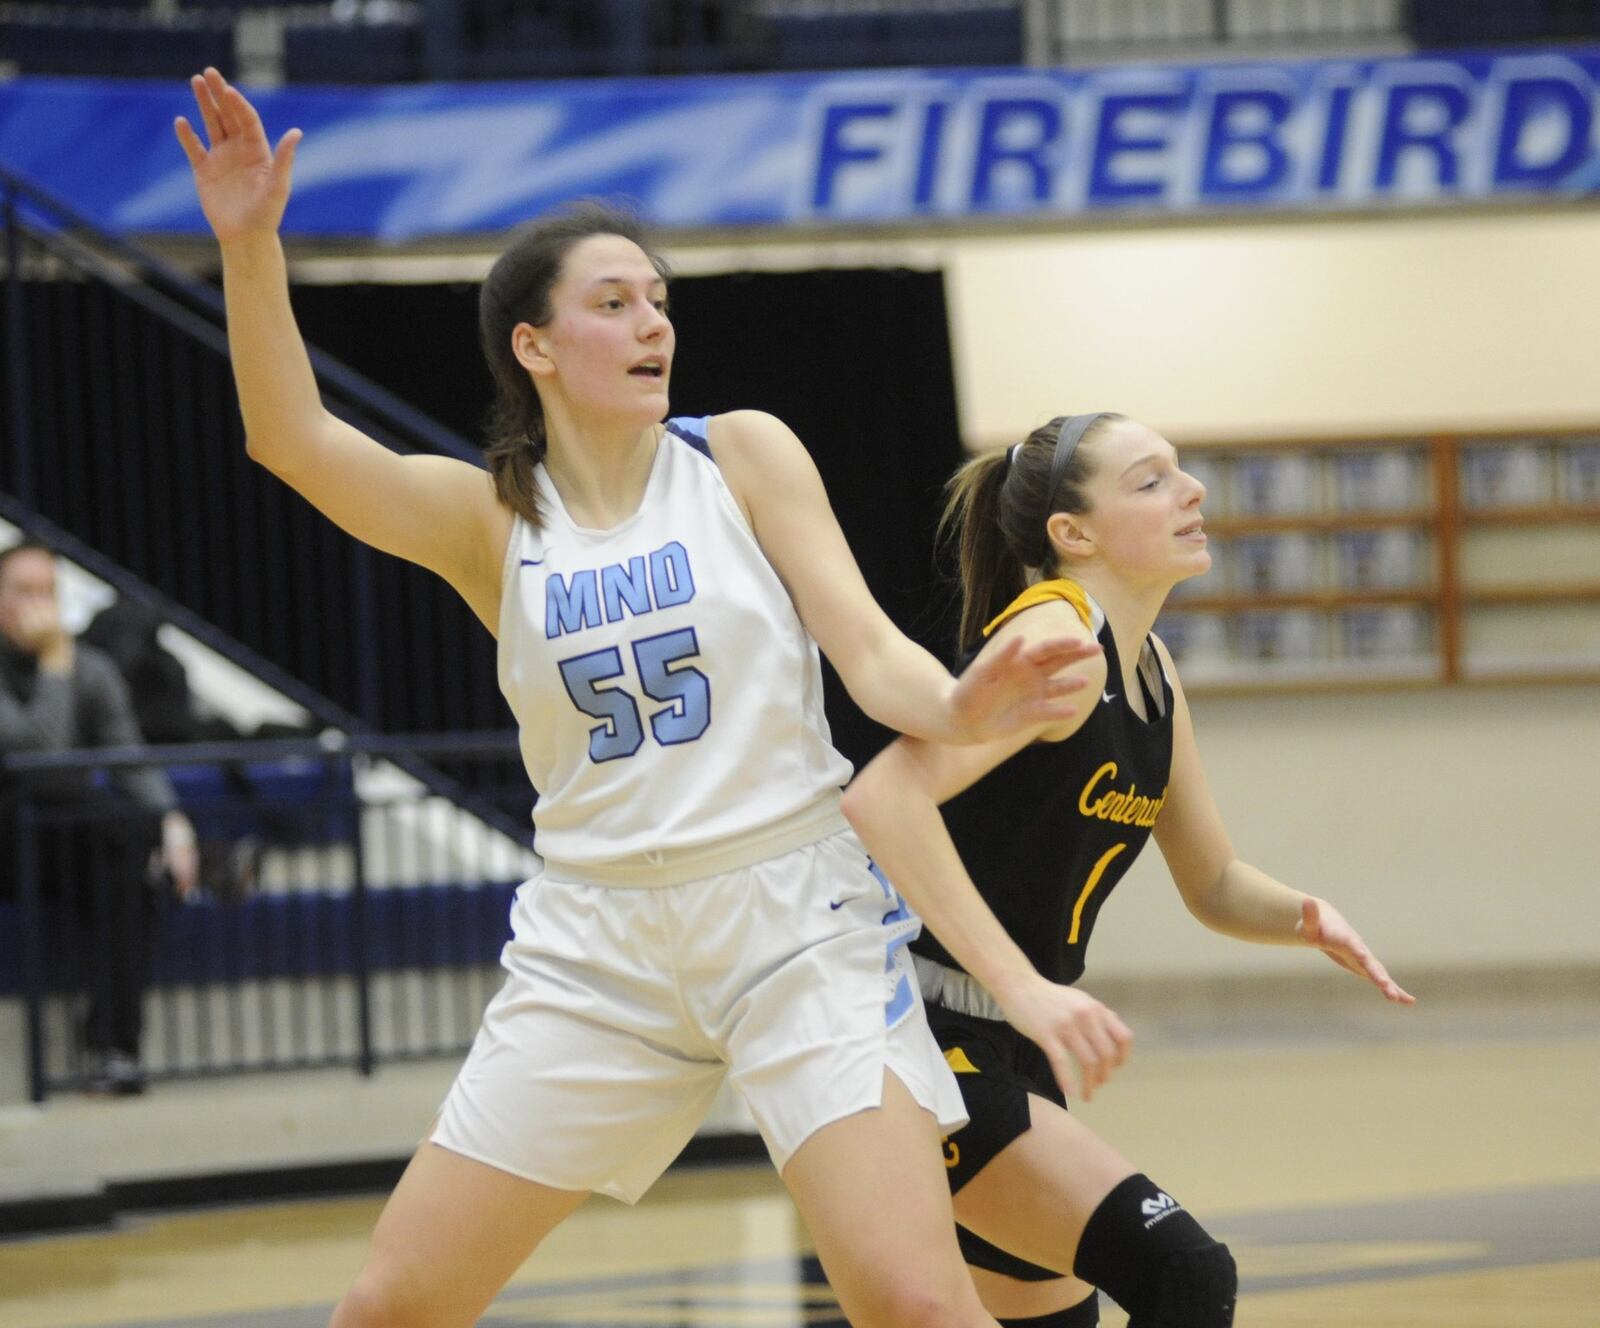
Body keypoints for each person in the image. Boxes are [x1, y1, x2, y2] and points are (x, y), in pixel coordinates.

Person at [174, 68, 1105, 1328]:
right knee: (391, 1303)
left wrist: (961, 700)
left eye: (659, 301)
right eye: (612, 304)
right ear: (536, 345)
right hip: (595, 942)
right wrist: (248, 248)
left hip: (791, 915)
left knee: (907, 1299)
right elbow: (292, 439)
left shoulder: (743, 454)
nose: (653, 324)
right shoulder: (490, 519)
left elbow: (873, 658)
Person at [840, 412, 1416, 1327]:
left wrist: (1307, 915)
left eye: (1182, 472)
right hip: (911, 1029)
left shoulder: (1149, 668)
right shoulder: (1056, 639)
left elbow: (1213, 882)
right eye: (1150, 481)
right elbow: (882, 801)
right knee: (1185, 1274)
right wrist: (1023, 985)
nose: (1191, 491)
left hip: (1017, 1043)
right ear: (1073, 534)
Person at [0, 542, 200, 1096]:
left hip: (68, 838)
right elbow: (40, 751)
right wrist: (54, 662)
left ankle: (112, 1049)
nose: (38, 605)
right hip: (8, 833)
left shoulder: (92, 668)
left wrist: (174, 824)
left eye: (47, 592)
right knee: (104, 820)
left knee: (131, 871)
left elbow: (127, 756)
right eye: (23, 591)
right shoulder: (66, 662)